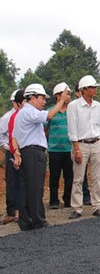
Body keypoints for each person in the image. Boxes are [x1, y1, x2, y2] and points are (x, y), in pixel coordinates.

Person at [12, 84, 63, 230]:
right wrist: (61, 101)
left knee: (26, 187)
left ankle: (26, 221)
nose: (44, 102)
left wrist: (16, 152)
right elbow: (49, 115)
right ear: (32, 98)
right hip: (33, 153)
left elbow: (15, 136)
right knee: (35, 187)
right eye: (42, 98)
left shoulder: (21, 113)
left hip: (26, 152)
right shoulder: (29, 111)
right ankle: (38, 220)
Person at [66, 75, 100, 219]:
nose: (95, 90)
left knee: (96, 177)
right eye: (92, 87)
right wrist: (76, 148)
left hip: (95, 143)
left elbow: (99, 123)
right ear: (84, 90)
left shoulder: (97, 105)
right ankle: (77, 207)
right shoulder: (73, 106)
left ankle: (97, 205)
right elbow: (72, 128)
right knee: (78, 177)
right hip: (81, 144)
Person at [46, 83, 73, 209]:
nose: (69, 96)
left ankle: (68, 200)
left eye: (69, 94)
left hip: (69, 149)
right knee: (54, 176)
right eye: (66, 94)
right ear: (58, 96)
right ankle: (54, 201)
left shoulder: (72, 111)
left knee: (69, 176)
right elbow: (45, 129)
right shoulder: (50, 112)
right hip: (55, 150)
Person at [0, 89, 23, 225]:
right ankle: (11, 211)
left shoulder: (26, 116)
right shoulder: (7, 118)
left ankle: (23, 210)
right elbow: (1, 135)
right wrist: (8, 147)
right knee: (12, 181)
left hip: (24, 151)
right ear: (15, 103)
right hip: (11, 151)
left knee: (23, 181)